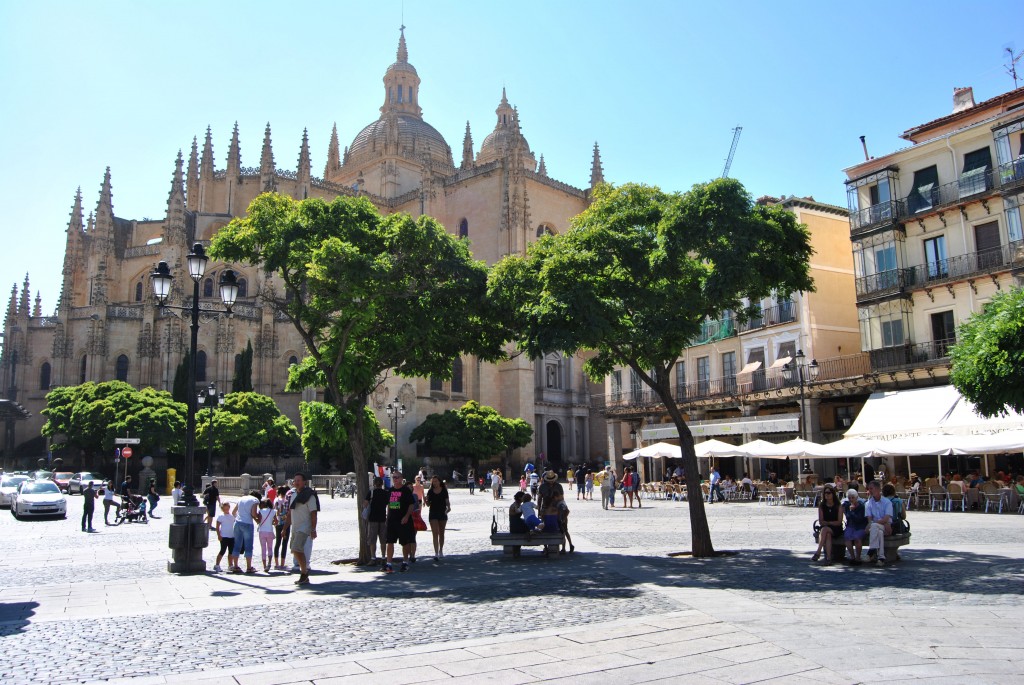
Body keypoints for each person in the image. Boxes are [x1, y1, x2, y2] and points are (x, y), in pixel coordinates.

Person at [287, 473, 319, 585]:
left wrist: (313, 529)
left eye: (298, 480)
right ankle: (304, 572)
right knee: (294, 549)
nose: (296, 482)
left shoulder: (309, 495)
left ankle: (304, 572)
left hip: (304, 527)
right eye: (295, 480)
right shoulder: (293, 494)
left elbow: (313, 513)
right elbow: (290, 512)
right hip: (295, 527)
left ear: (304, 482)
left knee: (296, 548)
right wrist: (285, 528)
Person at [384, 471, 416, 573]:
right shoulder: (390, 490)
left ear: (401, 478)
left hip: (403, 521)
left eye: (397, 477)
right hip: (392, 521)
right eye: (393, 477)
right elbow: (389, 505)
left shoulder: (406, 490)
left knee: (404, 543)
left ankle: (405, 562)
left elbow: (411, 505)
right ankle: (389, 564)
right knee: (389, 542)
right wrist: (387, 518)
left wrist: (406, 516)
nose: (395, 479)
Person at [864, 480, 893, 564]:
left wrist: (874, 522)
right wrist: (874, 523)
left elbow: (886, 519)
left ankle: (871, 550)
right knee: (878, 531)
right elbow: (869, 520)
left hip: (887, 527)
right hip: (879, 527)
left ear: (878, 489)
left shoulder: (887, 502)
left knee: (874, 526)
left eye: (871, 488)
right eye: (869, 489)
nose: (869, 491)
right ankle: (881, 557)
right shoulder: (868, 504)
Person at [812, 485, 843, 564]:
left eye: (829, 493)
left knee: (825, 530)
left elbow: (839, 522)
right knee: (827, 534)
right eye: (825, 493)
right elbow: (821, 521)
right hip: (825, 528)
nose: (827, 494)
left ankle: (818, 552)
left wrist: (828, 523)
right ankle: (828, 558)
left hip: (836, 528)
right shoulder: (822, 506)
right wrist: (827, 523)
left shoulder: (838, 506)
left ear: (833, 494)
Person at [232, 489, 260, 574]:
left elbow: (233, 512)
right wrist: (258, 517)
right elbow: (254, 513)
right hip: (247, 523)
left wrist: (239, 517)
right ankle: (249, 567)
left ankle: (235, 566)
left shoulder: (241, 498)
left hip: (237, 523)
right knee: (248, 546)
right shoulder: (255, 500)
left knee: (237, 545)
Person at [425, 476, 450, 561]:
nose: (434, 483)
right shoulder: (430, 491)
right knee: (435, 533)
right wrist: (426, 501)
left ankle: (441, 550)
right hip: (433, 513)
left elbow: (447, 501)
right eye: (433, 482)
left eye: (436, 481)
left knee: (441, 532)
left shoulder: (444, 490)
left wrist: (448, 507)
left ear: (439, 482)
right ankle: (436, 553)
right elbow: (428, 504)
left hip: (442, 512)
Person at [365, 477, 389, 564]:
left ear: (374, 483)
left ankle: (373, 558)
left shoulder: (371, 493)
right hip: (383, 518)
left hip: (372, 519)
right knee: (383, 540)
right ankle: (383, 557)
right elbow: (390, 505)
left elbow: (365, 504)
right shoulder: (386, 493)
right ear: (382, 484)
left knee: (372, 540)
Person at [843, 488, 868, 565]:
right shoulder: (847, 506)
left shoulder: (861, 506)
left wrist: (852, 511)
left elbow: (859, 519)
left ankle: (858, 557)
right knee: (847, 536)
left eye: (853, 497)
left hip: (860, 526)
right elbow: (847, 517)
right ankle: (852, 556)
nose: (851, 499)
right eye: (849, 498)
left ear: (856, 497)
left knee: (857, 538)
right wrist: (849, 511)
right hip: (851, 525)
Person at [214, 502, 236, 573]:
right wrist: (219, 535)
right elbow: (217, 527)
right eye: (224, 508)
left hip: (231, 536)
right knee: (222, 551)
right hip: (224, 536)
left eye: (227, 508)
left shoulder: (232, 516)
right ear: (222, 509)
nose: (226, 509)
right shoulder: (221, 516)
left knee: (231, 552)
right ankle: (217, 565)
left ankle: (230, 565)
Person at [273, 485, 291, 569]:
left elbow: (274, 511)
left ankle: (276, 563)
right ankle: (282, 564)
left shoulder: (276, 500)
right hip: (286, 524)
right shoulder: (286, 500)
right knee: (284, 543)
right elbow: (288, 512)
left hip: (278, 523)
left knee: (277, 543)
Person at [257, 497, 276, 573]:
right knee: (270, 548)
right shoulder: (273, 511)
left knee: (263, 549)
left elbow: (258, 521)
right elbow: (276, 522)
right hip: (270, 531)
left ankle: (264, 566)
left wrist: (253, 517)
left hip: (262, 531)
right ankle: (269, 563)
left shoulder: (261, 511)